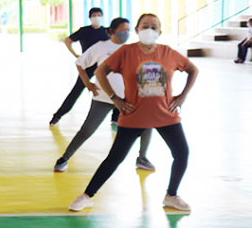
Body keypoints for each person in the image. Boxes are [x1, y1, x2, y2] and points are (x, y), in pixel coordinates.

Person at [69, 14, 199, 212]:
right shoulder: (126, 52)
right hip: (134, 115)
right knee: (115, 158)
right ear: (137, 30)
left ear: (160, 32)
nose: (149, 29)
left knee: (182, 153)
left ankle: (172, 195)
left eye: (154, 26)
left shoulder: (168, 53)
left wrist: (182, 96)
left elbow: (192, 69)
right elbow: (100, 72)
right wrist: (114, 98)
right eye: (145, 25)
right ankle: (87, 195)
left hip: (166, 114)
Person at [54, 18, 154, 173]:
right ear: (113, 31)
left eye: (128, 30)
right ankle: (64, 158)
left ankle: (142, 158)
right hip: (103, 98)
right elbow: (80, 63)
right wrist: (87, 83)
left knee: (147, 123)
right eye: (123, 30)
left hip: (127, 99)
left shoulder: (132, 49)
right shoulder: (101, 47)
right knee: (87, 129)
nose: (126, 33)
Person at [50, 7, 111, 126]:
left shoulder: (107, 31)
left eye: (99, 15)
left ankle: (116, 117)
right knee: (76, 91)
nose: (97, 17)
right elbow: (67, 41)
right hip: (87, 65)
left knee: (116, 87)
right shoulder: (84, 31)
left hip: (103, 65)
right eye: (94, 15)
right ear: (90, 17)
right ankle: (57, 115)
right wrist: (76, 55)